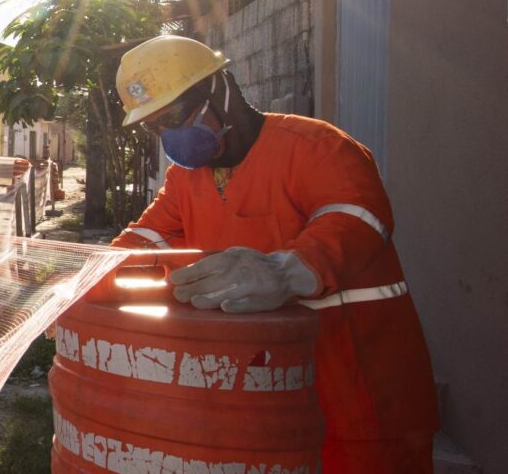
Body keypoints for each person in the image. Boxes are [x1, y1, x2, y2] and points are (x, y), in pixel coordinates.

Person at [109, 35, 438, 472]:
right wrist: (76, 280)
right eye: (155, 126)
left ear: (221, 88)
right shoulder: (187, 180)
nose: (169, 135)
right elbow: (144, 241)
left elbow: (356, 217)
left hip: (365, 397)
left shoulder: (318, 147)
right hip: (271, 402)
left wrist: (285, 271)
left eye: (172, 116)